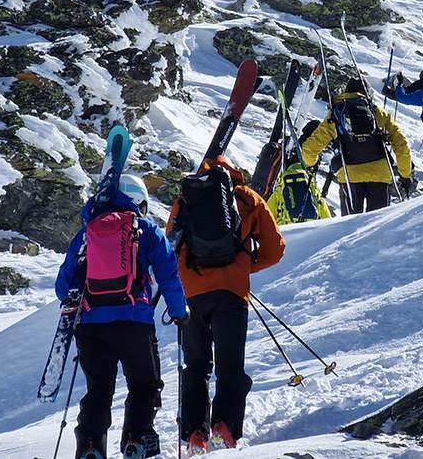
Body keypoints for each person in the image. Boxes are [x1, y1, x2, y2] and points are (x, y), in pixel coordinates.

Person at [55, 174, 190, 459]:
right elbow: (169, 275)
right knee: (144, 384)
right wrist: (179, 312)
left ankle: (90, 447)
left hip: (91, 327)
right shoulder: (147, 229)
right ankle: (136, 439)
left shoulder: (86, 234)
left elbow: (63, 288)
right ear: (138, 200)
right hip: (134, 323)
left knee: (99, 389)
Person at [169, 155, 285, 455]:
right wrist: (243, 267)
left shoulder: (186, 199)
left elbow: (173, 248)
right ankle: (224, 427)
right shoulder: (248, 198)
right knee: (230, 365)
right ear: (234, 171)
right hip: (231, 293)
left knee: (196, 366)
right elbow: (274, 250)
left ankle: (195, 433)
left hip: (192, 294)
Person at [301, 77, 414, 213]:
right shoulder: (377, 113)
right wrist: (405, 175)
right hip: (380, 174)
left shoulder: (337, 114)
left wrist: (311, 164)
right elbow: (401, 145)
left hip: (349, 175)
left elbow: (309, 149)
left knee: (351, 227)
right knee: (378, 224)